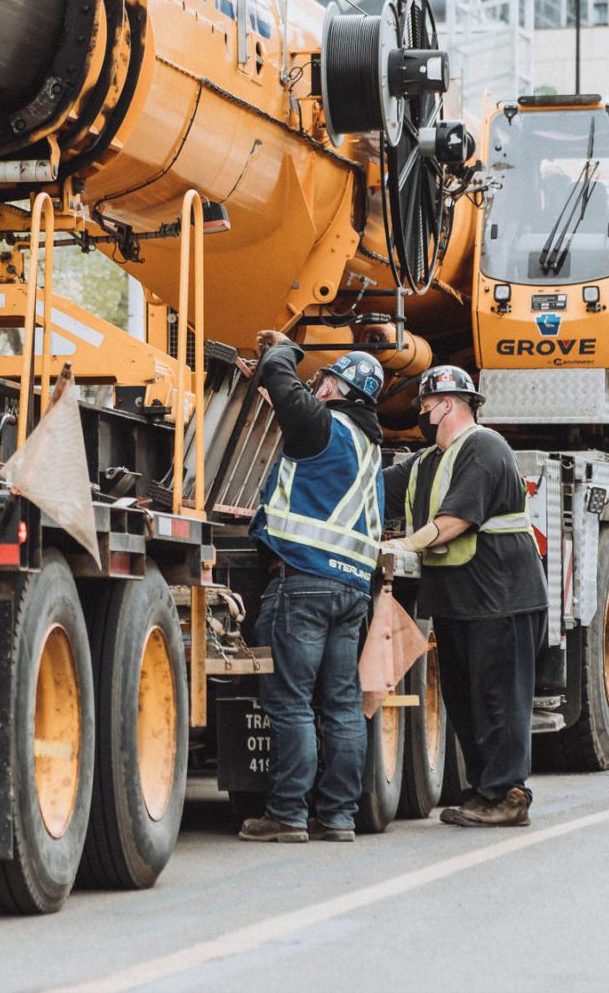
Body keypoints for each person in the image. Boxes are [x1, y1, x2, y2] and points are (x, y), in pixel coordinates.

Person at [379, 365, 546, 828]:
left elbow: (456, 520)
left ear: (448, 404)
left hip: (502, 598)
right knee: (465, 698)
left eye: (426, 407)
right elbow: (375, 491)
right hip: (459, 601)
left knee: (499, 698)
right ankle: (483, 790)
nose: (422, 415)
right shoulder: (426, 461)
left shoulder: (484, 448)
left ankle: (509, 795)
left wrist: (402, 545)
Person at [239, 331, 385, 844]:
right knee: (343, 704)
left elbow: (281, 379)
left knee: (291, 701)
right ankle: (339, 817)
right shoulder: (369, 447)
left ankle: (287, 814)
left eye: (323, 380)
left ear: (334, 389)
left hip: (301, 581)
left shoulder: (321, 427)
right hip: (351, 591)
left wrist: (284, 348)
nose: (315, 386)